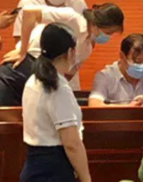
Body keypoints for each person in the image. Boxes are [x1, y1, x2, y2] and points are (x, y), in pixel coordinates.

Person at [0, 3, 124, 106]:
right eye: (108, 32)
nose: (108, 37)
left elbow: (68, 74)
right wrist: (22, 51)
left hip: (44, 79)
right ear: (96, 24)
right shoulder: (73, 18)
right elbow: (29, 13)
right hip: (20, 69)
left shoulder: (87, 47)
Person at [21, 22, 91, 182]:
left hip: (34, 164)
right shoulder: (57, 87)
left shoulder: (33, 80)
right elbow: (71, 143)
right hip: (54, 169)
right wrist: (86, 178)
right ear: (70, 52)